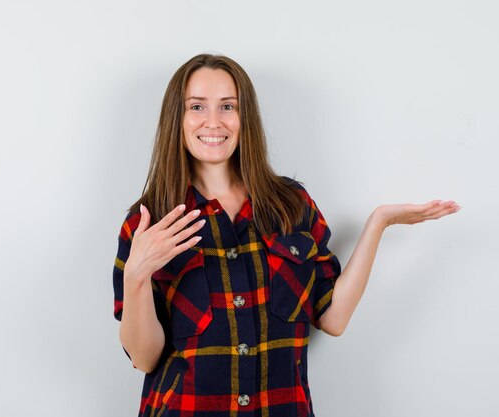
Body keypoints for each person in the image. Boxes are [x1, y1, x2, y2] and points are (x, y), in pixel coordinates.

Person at [112, 53, 459, 417]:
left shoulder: (290, 206)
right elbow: (144, 357)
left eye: (228, 106)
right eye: (197, 106)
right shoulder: (148, 222)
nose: (213, 121)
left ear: (245, 117)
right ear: (177, 119)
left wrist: (378, 223)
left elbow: (333, 318)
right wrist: (136, 275)